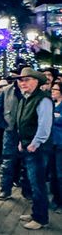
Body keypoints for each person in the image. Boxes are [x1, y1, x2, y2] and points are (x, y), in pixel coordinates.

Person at [14, 67, 53, 230]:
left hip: (37, 149)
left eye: (26, 80)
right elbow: (23, 121)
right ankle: (36, 212)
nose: (22, 83)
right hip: (28, 145)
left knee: (38, 183)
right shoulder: (26, 98)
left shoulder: (42, 100)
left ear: (36, 81)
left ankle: (41, 218)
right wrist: (22, 141)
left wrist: (35, 143)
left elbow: (44, 126)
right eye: (21, 80)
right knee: (32, 181)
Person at [0, 72, 23, 200]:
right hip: (10, 130)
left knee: (27, 162)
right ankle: (5, 189)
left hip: (26, 132)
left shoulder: (32, 91)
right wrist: (4, 124)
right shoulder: (6, 90)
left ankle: (27, 190)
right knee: (7, 161)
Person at [49, 81, 62, 213]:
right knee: (53, 173)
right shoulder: (51, 105)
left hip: (60, 144)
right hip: (51, 143)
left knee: (59, 174)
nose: (53, 91)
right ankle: (55, 198)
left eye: (55, 89)